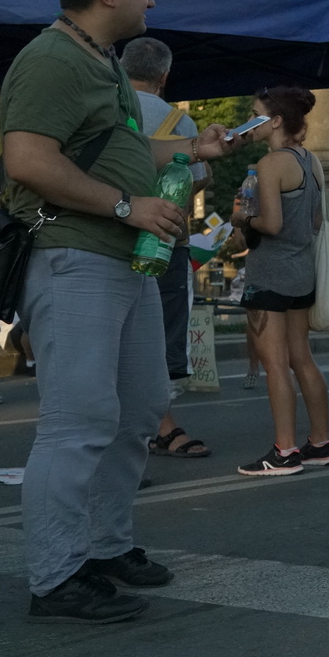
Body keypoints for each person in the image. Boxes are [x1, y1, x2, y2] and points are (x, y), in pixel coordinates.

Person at [2, 0, 235, 622]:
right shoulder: (49, 60)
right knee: (77, 423)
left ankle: (105, 547)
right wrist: (129, 205)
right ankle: (55, 576)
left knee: (136, 411)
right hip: (76, 256)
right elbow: (26, 160)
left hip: (122, 259)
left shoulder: (96, 60)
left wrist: (195, 146)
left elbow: (127, 146)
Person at [231, 86, 329, 476]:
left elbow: (270, 223)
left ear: (274, 121)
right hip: (301, 272)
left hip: (270, 274)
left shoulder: (271, 163)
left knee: (275, 363)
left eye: (255, 113)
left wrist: (241, 217)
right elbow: (315, 222)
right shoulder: (310, 161)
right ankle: (321, 443)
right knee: (301, 358)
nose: (249, 121)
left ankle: (285, 451)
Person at [122, 37, 211, 460]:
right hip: (163, 241)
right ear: (164, 76)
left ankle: (134, 424)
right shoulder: (178, 120)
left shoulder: (112, 109)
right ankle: (160, 424)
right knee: (161, 336)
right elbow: (196, 176)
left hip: (112, 234)